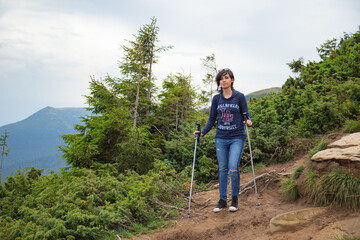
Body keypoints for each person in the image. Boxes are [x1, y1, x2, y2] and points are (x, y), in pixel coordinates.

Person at [193, 68, 252, 212]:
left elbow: (246, 115)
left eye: (226, 78)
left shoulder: (239, 97)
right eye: (221, 79)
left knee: (233, 167)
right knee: (222, 169)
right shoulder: (217, 99)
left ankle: (235, 199)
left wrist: (248, 121)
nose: (223, 81)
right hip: (220, 138)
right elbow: (212, 119)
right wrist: (202, 133)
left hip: (237, 137)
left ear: (232, 80)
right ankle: (222, 200)